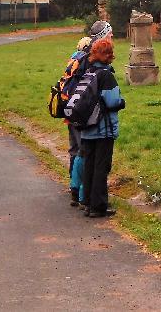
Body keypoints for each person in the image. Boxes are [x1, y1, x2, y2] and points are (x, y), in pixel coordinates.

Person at [66, 22, 112, 207]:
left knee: (77, 151)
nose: (112, 38)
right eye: (110, 34)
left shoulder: (80, 55)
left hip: (72, 109)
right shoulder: (91, 59)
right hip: (86, 114)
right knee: (86, 154)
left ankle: (76, 190)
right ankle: (84, 195)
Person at [80, 39, 125, 218]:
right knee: (101, 167)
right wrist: (123, 102)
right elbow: (113, 101)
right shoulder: (106, 75)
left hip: (86, 127)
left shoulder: (88, 71)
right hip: (103, 128)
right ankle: (99, 206)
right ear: (108, 54)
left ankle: (88, 203)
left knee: (89, 165)